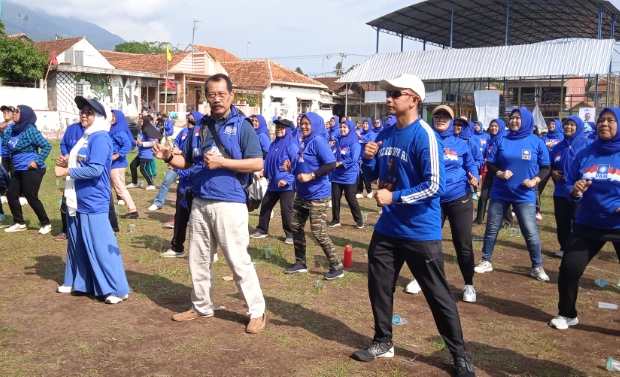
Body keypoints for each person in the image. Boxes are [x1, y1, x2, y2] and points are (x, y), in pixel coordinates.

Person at [352, 75, 475, 377]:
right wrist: (368, 160)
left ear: (414, 100)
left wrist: (394, 197)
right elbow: (375, 178)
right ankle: (383, 341)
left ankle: (459, 356)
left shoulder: (425, 136)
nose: (388, 99)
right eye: (388, 93)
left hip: (420, 231)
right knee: (379, 286)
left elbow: (435, 186)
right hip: (388, 229)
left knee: (438, 295)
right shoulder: (388, 133)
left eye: (395, 93)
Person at [152, 73, 266, 334]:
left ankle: (257, 311)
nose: (216, 99)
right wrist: (167, 156)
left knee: (238, 261)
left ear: (231, 95)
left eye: (221, 94)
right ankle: (201, 305)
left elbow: (257, 163)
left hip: (230, 203)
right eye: (211, 95)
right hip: (200, 201)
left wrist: (223, 162)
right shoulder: (200, 126)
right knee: (198, 259)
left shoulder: (242, 125)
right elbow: (190, 163)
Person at [549, 108, 620, 330]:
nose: (604, 124)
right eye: (601, 120)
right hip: (588, 222)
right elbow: (569, 182)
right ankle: (567, 314)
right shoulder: (585, 153)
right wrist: (575, 190)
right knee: (569, 268)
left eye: (610, 120)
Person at [54, 97, 130, 304]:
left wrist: (67, 170)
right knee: (77, 243)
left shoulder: (101, 138)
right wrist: (66, 160)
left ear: (99, 117)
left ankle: (116, 288)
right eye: (82, 111)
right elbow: (81, 160)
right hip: (77, 197)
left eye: (89, 112)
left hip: (93, 198)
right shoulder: (85, 137)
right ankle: (81, 282)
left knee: (100, 244)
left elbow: (96, 169)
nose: (84, 115)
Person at [407, 105, 479, 302]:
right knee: (427, 242)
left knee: (462, 243)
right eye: (437, 115)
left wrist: (475, 177)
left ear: (452, 121)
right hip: (432, 199)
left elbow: (471, 164)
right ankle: (421, 278)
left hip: (459, 198)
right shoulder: (424, 139)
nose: (440, 118)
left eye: (445, 116)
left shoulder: (461, 144)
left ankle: (469, 285)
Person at [474, 108, 551, 282]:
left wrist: (534, 181)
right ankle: (486, 260)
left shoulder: (536, 142)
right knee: (491, 228)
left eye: (518, 118)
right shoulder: (502, 139)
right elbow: (491, 163)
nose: (514, 121)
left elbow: (546, 167)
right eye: (512, 118)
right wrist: (500, 173)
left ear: (526, 120)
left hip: (524, 195)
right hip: (500, 192)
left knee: (530, 232)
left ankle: (537, 267)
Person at [283, 113, 342, 279]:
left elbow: (330, 164)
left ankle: (337, 267)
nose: (303, 126)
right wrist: (291, 169)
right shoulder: (305, 141)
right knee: (296, 227)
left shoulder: (318, 141)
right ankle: (300, 263)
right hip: (302, 194)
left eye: (307, 123)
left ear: (315, 125)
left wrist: (312, 176)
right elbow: (303, 166)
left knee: (318, 232)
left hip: (318, 195)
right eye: (302, 123)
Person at [159, 111, 204, 258]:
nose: (189, 123)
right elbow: (178, 149)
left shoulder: (203, 137)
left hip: (198, 186)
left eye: (193, 121)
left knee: (199, 221)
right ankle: (177, 247)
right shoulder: (185, 133)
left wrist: (178, 167)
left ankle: (205, 251)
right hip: (184, 185)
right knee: (180, 216)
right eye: (188, 121)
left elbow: (197, 164)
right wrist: (173, 157)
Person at [2, 105, 52, 234]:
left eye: (17, 111)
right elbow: (5, 143)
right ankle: (19, 222)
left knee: (31, 196)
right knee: (11, 194)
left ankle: (46, 223)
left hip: (33, 169)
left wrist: (37, 161)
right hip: (19, 169)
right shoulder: (11, 129)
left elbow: (46, 146)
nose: (14, 112)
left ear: (24, 114)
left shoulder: (30, 130)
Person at [549, 116, 591, 258]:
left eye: (572, 125)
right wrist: (552, 172)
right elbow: (549, 165)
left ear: (578, 127)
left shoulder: (587, 144)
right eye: (567, 124)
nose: (568, 127)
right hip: (560, 190)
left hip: (580, 191)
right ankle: (564, 246)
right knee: (562, 220)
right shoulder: (557, 147)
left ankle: (578, 248)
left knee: (577, 218)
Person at [251, 119, 299, 244]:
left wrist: (287, 180)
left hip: (286, 186)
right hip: (273, 183)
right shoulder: (274, 144)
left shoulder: (292, 145)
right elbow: (270, 160)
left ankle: (290, 234)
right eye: (278, 127)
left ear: (288, 130)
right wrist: (265, 172)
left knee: (286, 210)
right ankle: (262, 230)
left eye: (282, 127)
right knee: (266, 205)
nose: (279, 129)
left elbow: (297, 166)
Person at [148, 113, 200, 212]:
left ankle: (186, 211)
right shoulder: (184, 131)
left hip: (190, 165)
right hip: (176, 162)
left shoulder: (199, 134)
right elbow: (176, 142)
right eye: (188, 119)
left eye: (192, 119)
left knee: (186, 189)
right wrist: (172, 155)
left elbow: (196, 153)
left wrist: (180, 152)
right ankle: (158, 202)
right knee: (166, 181)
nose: (189, 121)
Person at [473, 119, 512, 226]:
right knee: (483, 196)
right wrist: (486, 159)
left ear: (501, 127)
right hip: (490, 171)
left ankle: (508, 221)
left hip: (501, 173)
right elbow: (486, 154)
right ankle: (479, 219)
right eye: (492, 126)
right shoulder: (490, 140)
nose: (493, 128)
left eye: (496, 126)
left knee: (502, 196)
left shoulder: (505, 139)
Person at [328, 119, 363, 229]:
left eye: (345, 127)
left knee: (350, 197)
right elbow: (332, 155)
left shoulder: (355, 143)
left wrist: (341, 163)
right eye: (341, 127)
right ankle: (335, 219)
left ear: (350, 129)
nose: (342, 129)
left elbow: (354, 159)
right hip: (336, 174)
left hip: (349, 175)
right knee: (335, 197)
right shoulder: (337, 141)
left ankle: (359, 221)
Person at [109, 110, 139, 220]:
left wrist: (116, 156)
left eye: (114, 116)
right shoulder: (112, 130)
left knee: (120, 188)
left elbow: (127, 145)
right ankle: (104, 209)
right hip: (111, 164)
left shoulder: (119, 131)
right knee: (106, 188)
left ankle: (133, 210)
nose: (112, 118)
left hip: (117, 164)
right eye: (111, 116)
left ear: (119, 118)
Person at [537, 119, 564, 220]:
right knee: (538, 188)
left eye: (553, 124)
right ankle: (537, 210)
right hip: (546, 165)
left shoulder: (562, 137)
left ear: (557, 125)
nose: (551, 125)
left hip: (557, 166)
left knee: (560, 189)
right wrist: (546, 147)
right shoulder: (544, 138)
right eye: (550, 124)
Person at [127, 116, 159, 190]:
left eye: (141, 121)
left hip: (146, 154)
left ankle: (151, 184)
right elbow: (140, 140)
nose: (140, 122)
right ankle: (134, 182)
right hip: (141, 153)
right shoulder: (142, 130)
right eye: (139, 121)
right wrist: (137, 142)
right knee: (133, 165)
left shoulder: (148, 130)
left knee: (143, 169)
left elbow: (152, 142)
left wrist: (142, 143)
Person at [0, 105, 16, 224]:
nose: (5, 113)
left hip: (14, 155)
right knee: (2, 179)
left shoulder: (16, 125)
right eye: (3, 111)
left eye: (7, 111)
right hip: (2, 155)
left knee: (14, 178)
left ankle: (17, 196)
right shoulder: (1, 125)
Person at [356, 118, 374, 198]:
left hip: (366, 157)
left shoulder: (371, 133)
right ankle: (359, 191)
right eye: (364, 124)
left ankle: (369, 190)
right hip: (358, 156)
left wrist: (360, 137)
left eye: (366, 124)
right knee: (359, 174)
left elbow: (370, 142)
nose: (365, 125)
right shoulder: (360, 132)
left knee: (365, 174)